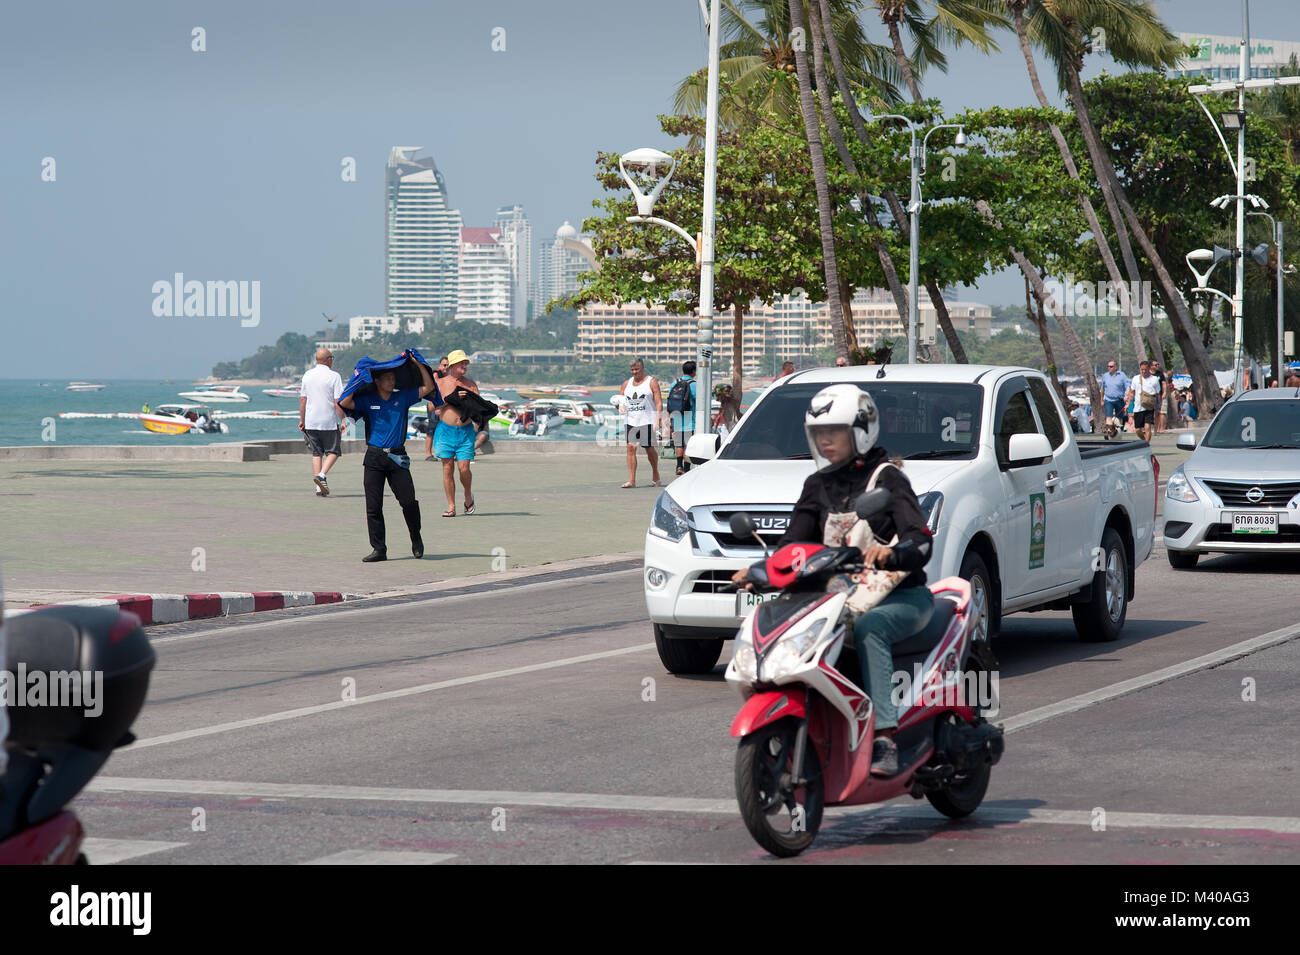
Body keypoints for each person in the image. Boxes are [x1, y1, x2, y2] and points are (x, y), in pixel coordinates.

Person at [731, 385, 933, 776]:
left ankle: (885, 737)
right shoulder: (817, 485)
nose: (825, 441)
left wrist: (893, 552)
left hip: (901, 597)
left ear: (860, 430)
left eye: (835, 432)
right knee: (781, 621)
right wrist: (761, 571)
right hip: (838, 599)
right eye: (819, 433)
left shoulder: (886, 478)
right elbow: (794, 546)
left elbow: (920, 538)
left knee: (871, 626)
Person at [338, 352, 435, 561]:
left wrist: (419, 365)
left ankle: (416, 538)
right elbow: (345, 402)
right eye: (388, 378)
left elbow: (428, 388)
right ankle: (379, 549)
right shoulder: (367, 400)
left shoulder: (403, 396)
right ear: (378, 381)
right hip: (374, 458)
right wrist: (358, 377)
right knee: (373, 507)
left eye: (393, 378)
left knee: (408, 501)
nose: (392, 381)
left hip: (398, 457)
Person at [432, 349, 481, 516]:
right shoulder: (440, 383)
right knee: (447, 468)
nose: (465, 366)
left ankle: (467, 494)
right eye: (461, 364)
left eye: (466, 364)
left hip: (465, 431)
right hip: (445, 431)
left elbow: (478, 407)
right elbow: (433, 407)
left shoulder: (471, 384)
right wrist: (451, 398)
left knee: (464, 468)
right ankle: (451, 506)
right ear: (452, 365)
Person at [299, 348, 346, 497]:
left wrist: (302, 420)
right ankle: (322, 476)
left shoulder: (307, 375)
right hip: (328, 421)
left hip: (311, 420)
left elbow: (303, 400)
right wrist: (343, 419)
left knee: (316, 452)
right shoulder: (334, 376)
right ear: (329, 360)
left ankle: (319, 488)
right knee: (334, 451)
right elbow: (338, 401)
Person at [619, 358, 662, 488]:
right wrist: (619, 408)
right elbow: (620, 401)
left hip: (647, 421)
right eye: (632, 370)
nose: (634, 372)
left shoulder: (651, 382)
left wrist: (658, 419)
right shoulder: (627, 384)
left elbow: (658, 402)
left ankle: (655, 473)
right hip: (631, 420)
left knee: (649, 448)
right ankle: (631, 480)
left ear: (642, 368)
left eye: (637, 369)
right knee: (630, 448)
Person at [666, 360, 697, 476]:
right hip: (689, 418)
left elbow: (669, 399)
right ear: (693, 371)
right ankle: (687, 469)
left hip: (677, 416)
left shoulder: (675, 383)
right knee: (688, 446)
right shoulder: (693, 384)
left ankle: (679, 466)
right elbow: (698, 400)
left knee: (679, 444)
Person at [1125, 360, 1160, 442]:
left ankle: (1147, 445)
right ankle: (1144, 441)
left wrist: (1158, 407)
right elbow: (1132, 393)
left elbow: (1158, 394)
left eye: (1145, 369)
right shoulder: (1136, 378)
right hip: (1138, 407)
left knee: (1147, 427)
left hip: (1149, 407)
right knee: (1137, 430)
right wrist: (1128, 404)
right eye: (1142, 369)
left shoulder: (1154, 379)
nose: (1144, 371)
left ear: (1149, 369)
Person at [424, 355, 449, 461]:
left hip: (443, 405)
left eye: (448, 365)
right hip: (434, 405)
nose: (446, 367)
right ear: (440, 365)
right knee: (431, 429)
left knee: (446, 428)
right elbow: (433, 389)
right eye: (444, 365)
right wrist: (436, 407)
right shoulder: (436, 374)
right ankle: (428, 454)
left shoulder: (448, 377)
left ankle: (445, 452)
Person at [1100, 360, 1129, 431]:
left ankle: (1118, 432)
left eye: (1111, 366)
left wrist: (1126, 395)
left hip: (1119, 399)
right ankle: (1109, 432)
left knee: (1119, 418)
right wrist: (1101, 399)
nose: (1109, 368)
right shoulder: (1105, 376)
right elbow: (1102, 389)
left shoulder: (1122, 375)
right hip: (1108, 400)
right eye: (1108, 366)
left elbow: (1128, 386)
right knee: (1108, 417)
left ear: (1115, 367)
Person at [1149, 359, 1169, 433]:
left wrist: (1164, 393)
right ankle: (1152, 428)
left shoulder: (1160, 374)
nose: (1157, 366)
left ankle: (1161, 429)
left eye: (1158, 365)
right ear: (1150, 366)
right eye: (1155, 365)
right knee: (1152, 413)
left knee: (1161, 412)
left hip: (1160, 395)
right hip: (1150, 396)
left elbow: (1164, 384)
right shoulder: (1148, 374)